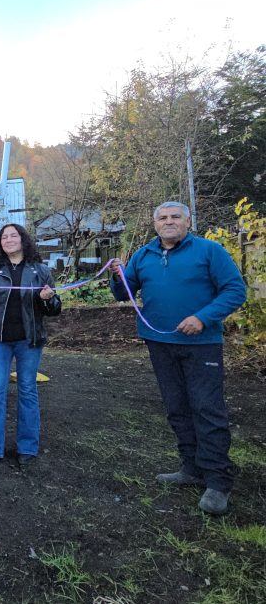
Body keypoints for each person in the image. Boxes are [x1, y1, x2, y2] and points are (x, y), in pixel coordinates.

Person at [109, 201, 246, 515]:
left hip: (201, 344)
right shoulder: (144, 255)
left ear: (187, 221)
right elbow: (123, 293)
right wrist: (118, 276)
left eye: (175, 217)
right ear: (155, 223)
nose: (168, 222)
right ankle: (191, 467)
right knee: (177, 407)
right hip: (160, 343)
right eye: (162, 218)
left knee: (207, 408)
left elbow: (235, 290)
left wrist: (203, 317)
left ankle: (217, 481)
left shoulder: (209, 252)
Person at [0, 223, 60, 467]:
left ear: (23, 239)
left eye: (13, 235)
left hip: (29, 340)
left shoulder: (40, 270)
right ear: (0, 242)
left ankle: (28, 448)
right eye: (4, 237)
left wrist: (47, 300)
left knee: (28, 390)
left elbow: (54, 309)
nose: (8, 240)